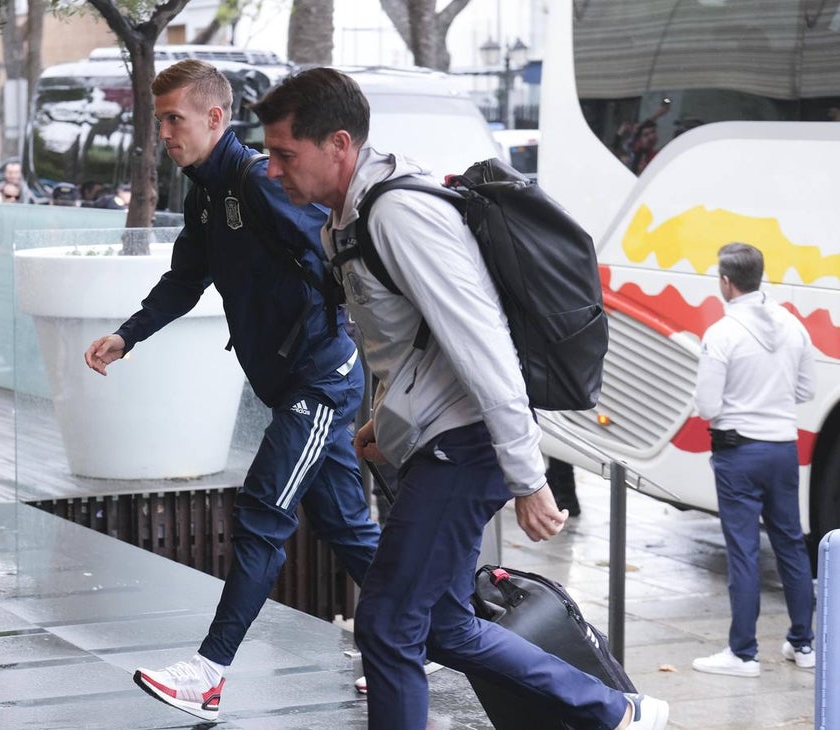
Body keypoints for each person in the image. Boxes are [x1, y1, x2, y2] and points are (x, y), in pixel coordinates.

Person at [253, 67, 669, 730]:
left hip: (467, 443)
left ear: (338, 144)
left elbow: (484, 344)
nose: (272, 170)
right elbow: (404, 341)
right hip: (443, 437)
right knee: (443, 627)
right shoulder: (347, 219)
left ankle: (615, 710)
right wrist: (387, 423)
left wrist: (528, 478)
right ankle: (616, 709)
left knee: (388, 625)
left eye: (283, 153)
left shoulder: (400, 215)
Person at [84, 59, 379, 723]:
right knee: (348, 530)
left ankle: (208, 673)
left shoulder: (258, 183)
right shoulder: (205, 194)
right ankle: (427, 633)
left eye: (174, 119)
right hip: (292, 381)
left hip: (319, 381)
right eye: (159, 120)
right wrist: (128, 335)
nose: (164, 132)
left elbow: (338, 260)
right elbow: (186, 279)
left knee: (262, 513)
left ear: (215, 117)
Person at [691, 242, 816, 678]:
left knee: (744, 551)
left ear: (726, 282)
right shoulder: (793, 326)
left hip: (738, 453)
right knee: (791, 545)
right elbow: (806, 390)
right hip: (783, 449)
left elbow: (707, 406)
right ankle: (803, 644)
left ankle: (743, 653)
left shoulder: (722, 333)